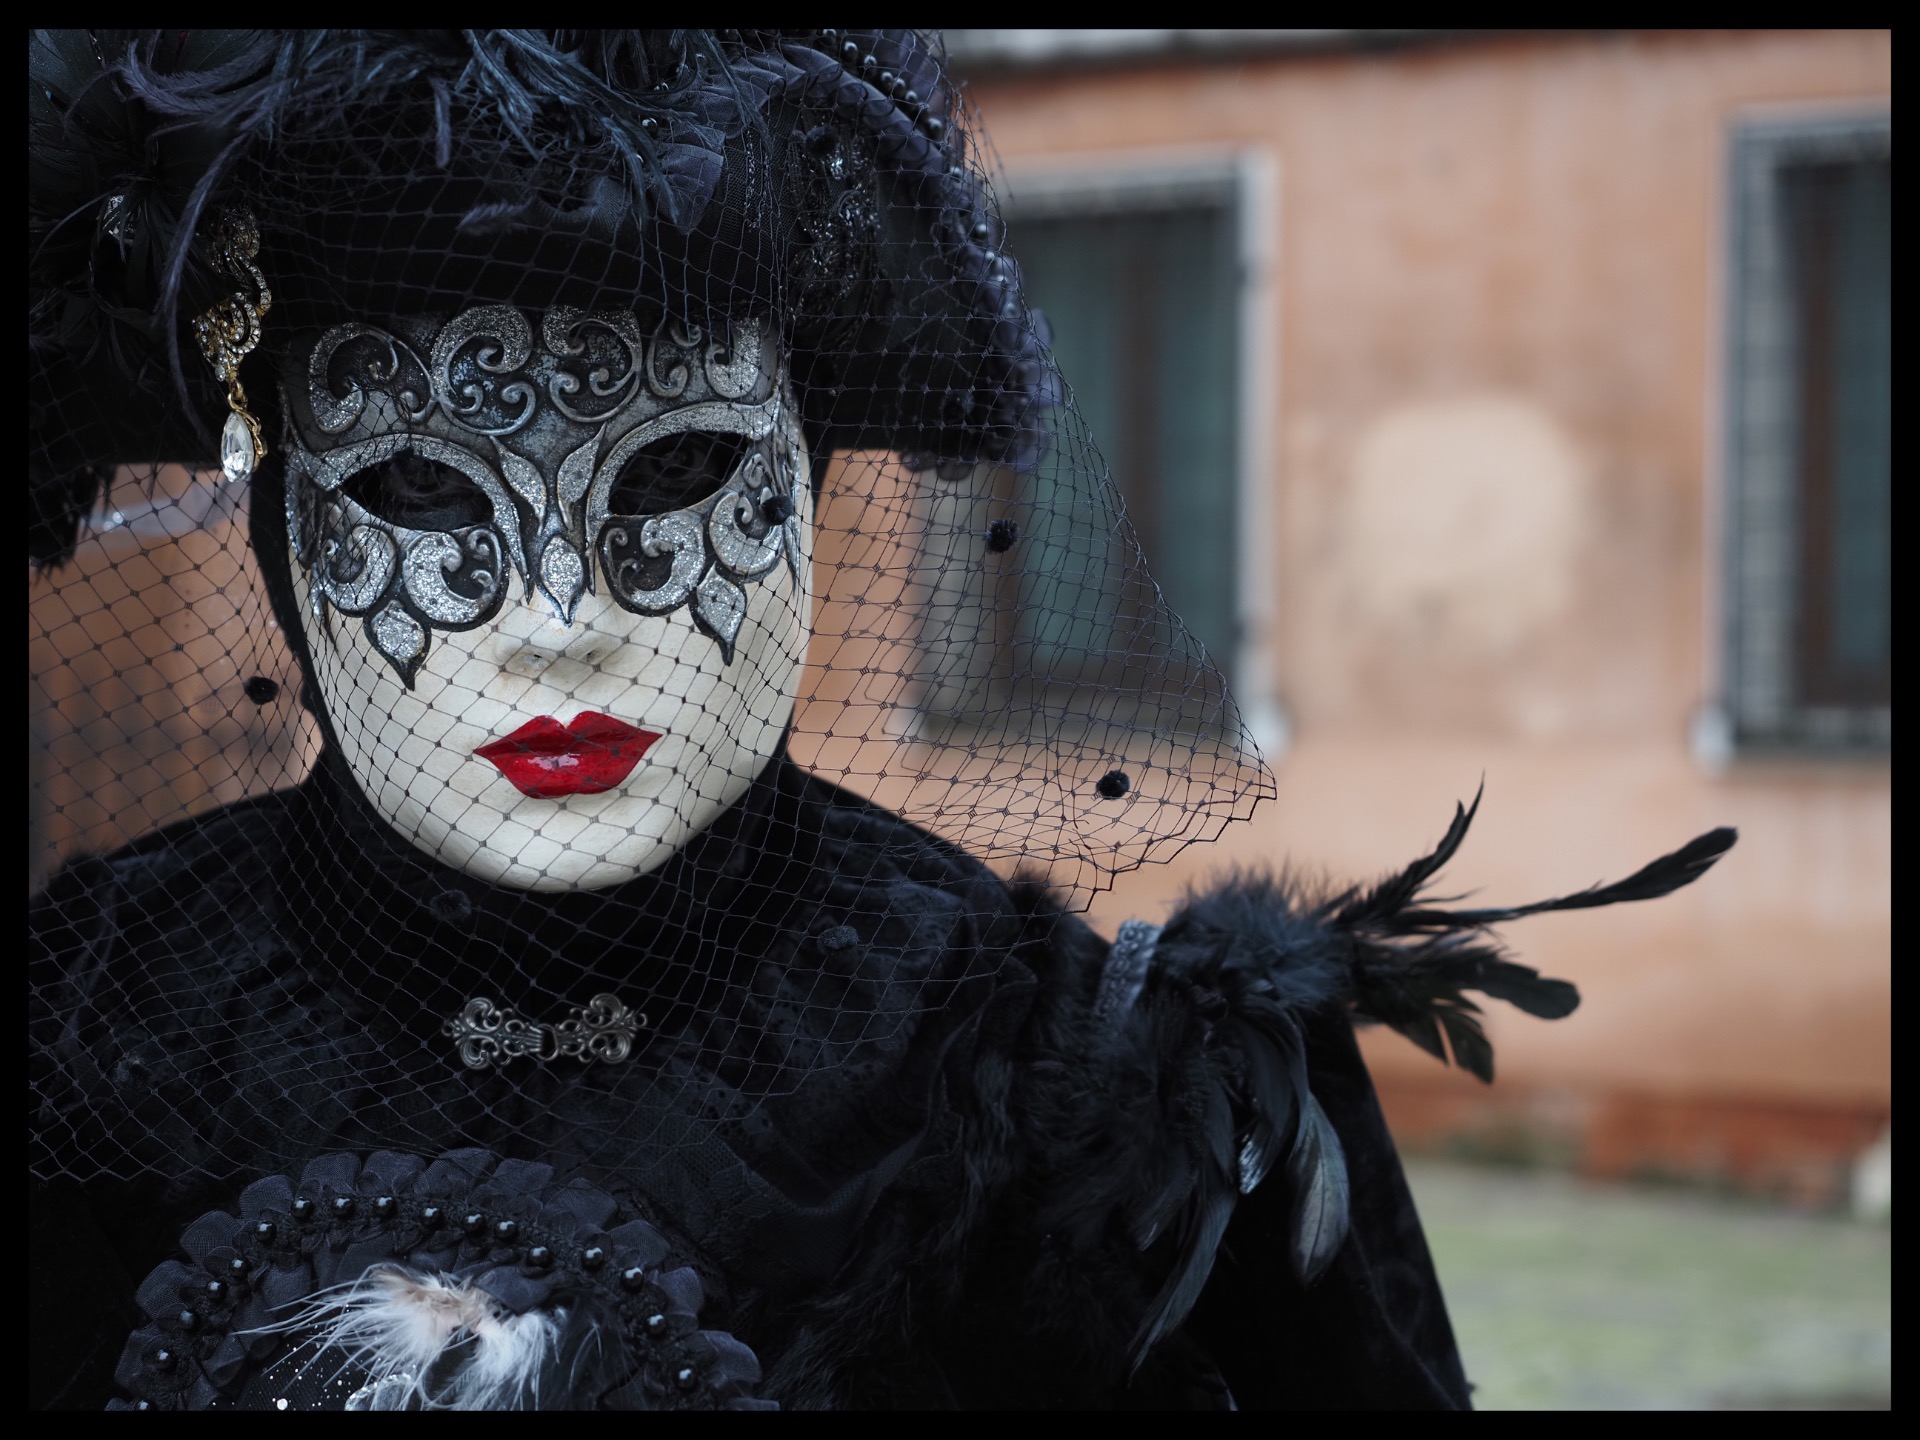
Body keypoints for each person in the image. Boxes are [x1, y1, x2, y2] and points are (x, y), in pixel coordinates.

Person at [28, 29, 1734, 1410]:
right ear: (284, 531)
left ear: (814, 482)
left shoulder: (1100, 1090)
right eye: (422, 493)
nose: (558, 623)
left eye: (679, 475)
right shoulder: (84, 1028)